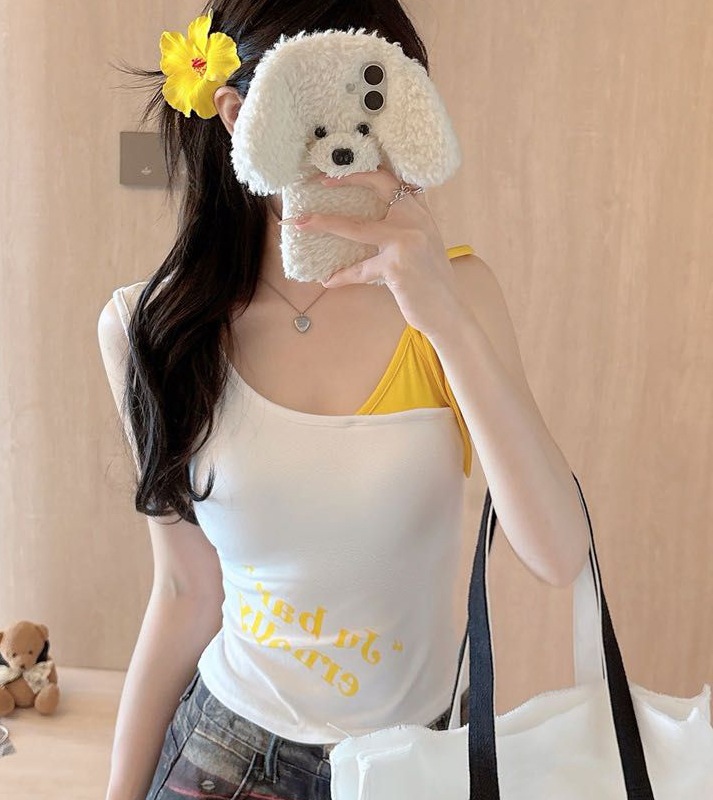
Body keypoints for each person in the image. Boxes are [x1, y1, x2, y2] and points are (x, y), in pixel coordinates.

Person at [98, 2, 590, 798]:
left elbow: (559, 555)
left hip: (418, 760)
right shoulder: (151, 328)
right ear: (240, 115)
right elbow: (186, 591)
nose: (361, 139)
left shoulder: (457, 297)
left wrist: (443, 316)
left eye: (384, 96)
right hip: (228, 753)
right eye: (321, 98)